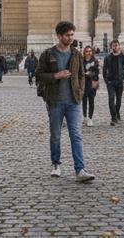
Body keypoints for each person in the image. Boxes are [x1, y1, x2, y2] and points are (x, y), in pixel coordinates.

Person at [34, 21, 95, 182]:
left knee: (76, 135)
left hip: (74, 101)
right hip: (55, 101)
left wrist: (80, 92)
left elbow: (81, 74)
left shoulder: (76, 54)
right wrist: (56, 76)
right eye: (68, 35)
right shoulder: (48, 54)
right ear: (59, 36)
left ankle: (80, 169)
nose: (71, 38)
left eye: (72, 35)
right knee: (55, 135)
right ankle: (56, 164)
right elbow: (38, 75)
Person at [102, 40, 124, 126]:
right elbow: (104, 69)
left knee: (119, 99)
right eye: (113, 46)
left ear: (119, 46)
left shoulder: (122, 56)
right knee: (111, 99)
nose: (115, 47)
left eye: (116, 45)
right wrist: (106, 80)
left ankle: (117, 112)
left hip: (120, 81)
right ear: (111, 47)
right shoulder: (107, 57)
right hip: (111, 81)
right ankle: (113, 118)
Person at [81, 46, 100, 127]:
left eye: (90, 51)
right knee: (84, 101)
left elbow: (97, 71)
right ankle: (84, 117)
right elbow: (80, 71)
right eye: (87, 51)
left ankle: (90, 118)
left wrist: (90, 73)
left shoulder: (95, 61)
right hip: (84, 83)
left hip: (92, 83)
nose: (88, 53)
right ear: (84, 53)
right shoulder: (82, 61)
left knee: (91, 101)